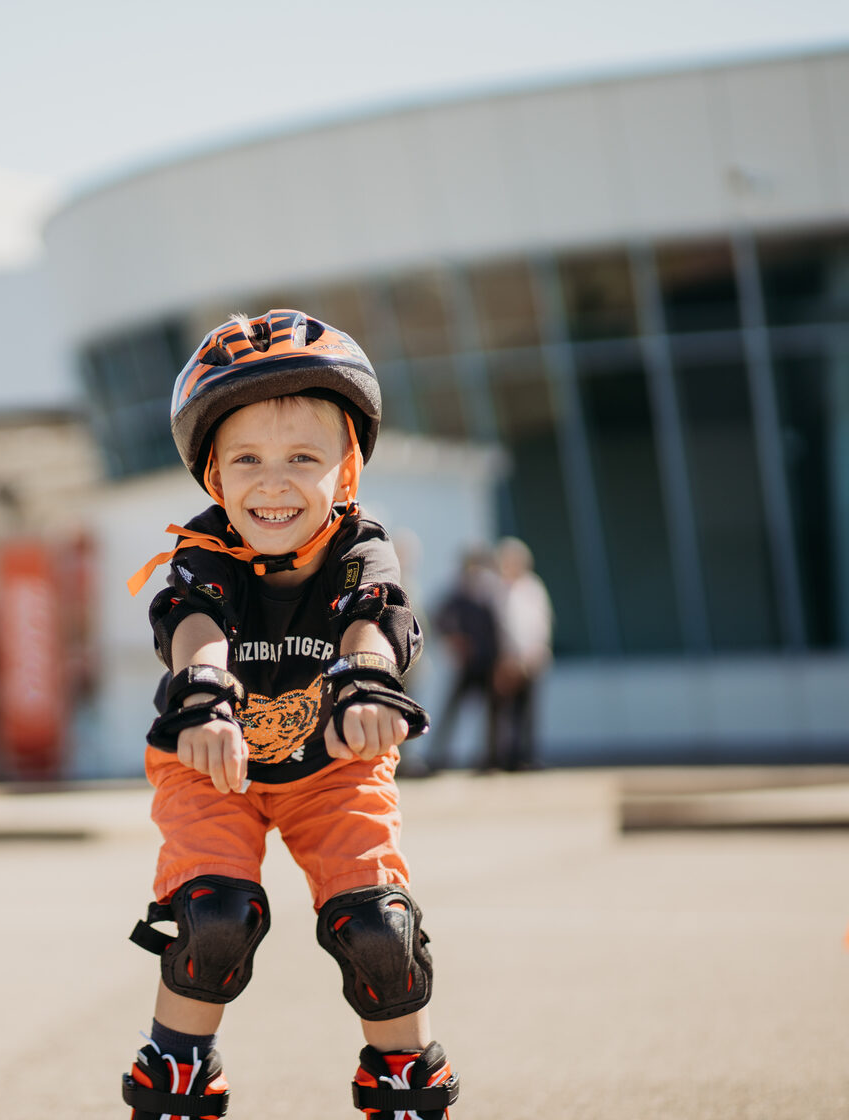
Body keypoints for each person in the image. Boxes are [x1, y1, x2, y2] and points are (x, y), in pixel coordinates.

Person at [121, 310, 457, 1119]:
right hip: (214, 761)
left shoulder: (361, 548)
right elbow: (195, 627)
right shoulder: (201, 550)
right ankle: (176, 1080)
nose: (273, 483)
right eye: (248, 460)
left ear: (346, 474)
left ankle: (404, 1084)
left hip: (331, 767)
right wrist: (203, 694)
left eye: (303, 458)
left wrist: (369, 679)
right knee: (216, 918)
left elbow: (372, 617)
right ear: (214, 478)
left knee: (380, 931)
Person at [419, 548, 500, 776]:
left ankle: (491, 759)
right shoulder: (457, 595)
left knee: (492, 715)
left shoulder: (489, 595)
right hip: (466, 666)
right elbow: (439, 619)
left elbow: (497, 631)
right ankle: (436, 758)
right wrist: (453, 641)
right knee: (450, 712)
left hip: (487, 664)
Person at [488, 537, 552, 772]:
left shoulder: (534, 588)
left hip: (531, 658)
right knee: (503, 713)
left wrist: (535, 651)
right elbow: (499, 627)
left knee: (528, 712)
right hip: (506, 661)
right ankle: (502, 758)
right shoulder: (497, 590)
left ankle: (527, 756)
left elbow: (542, 623)